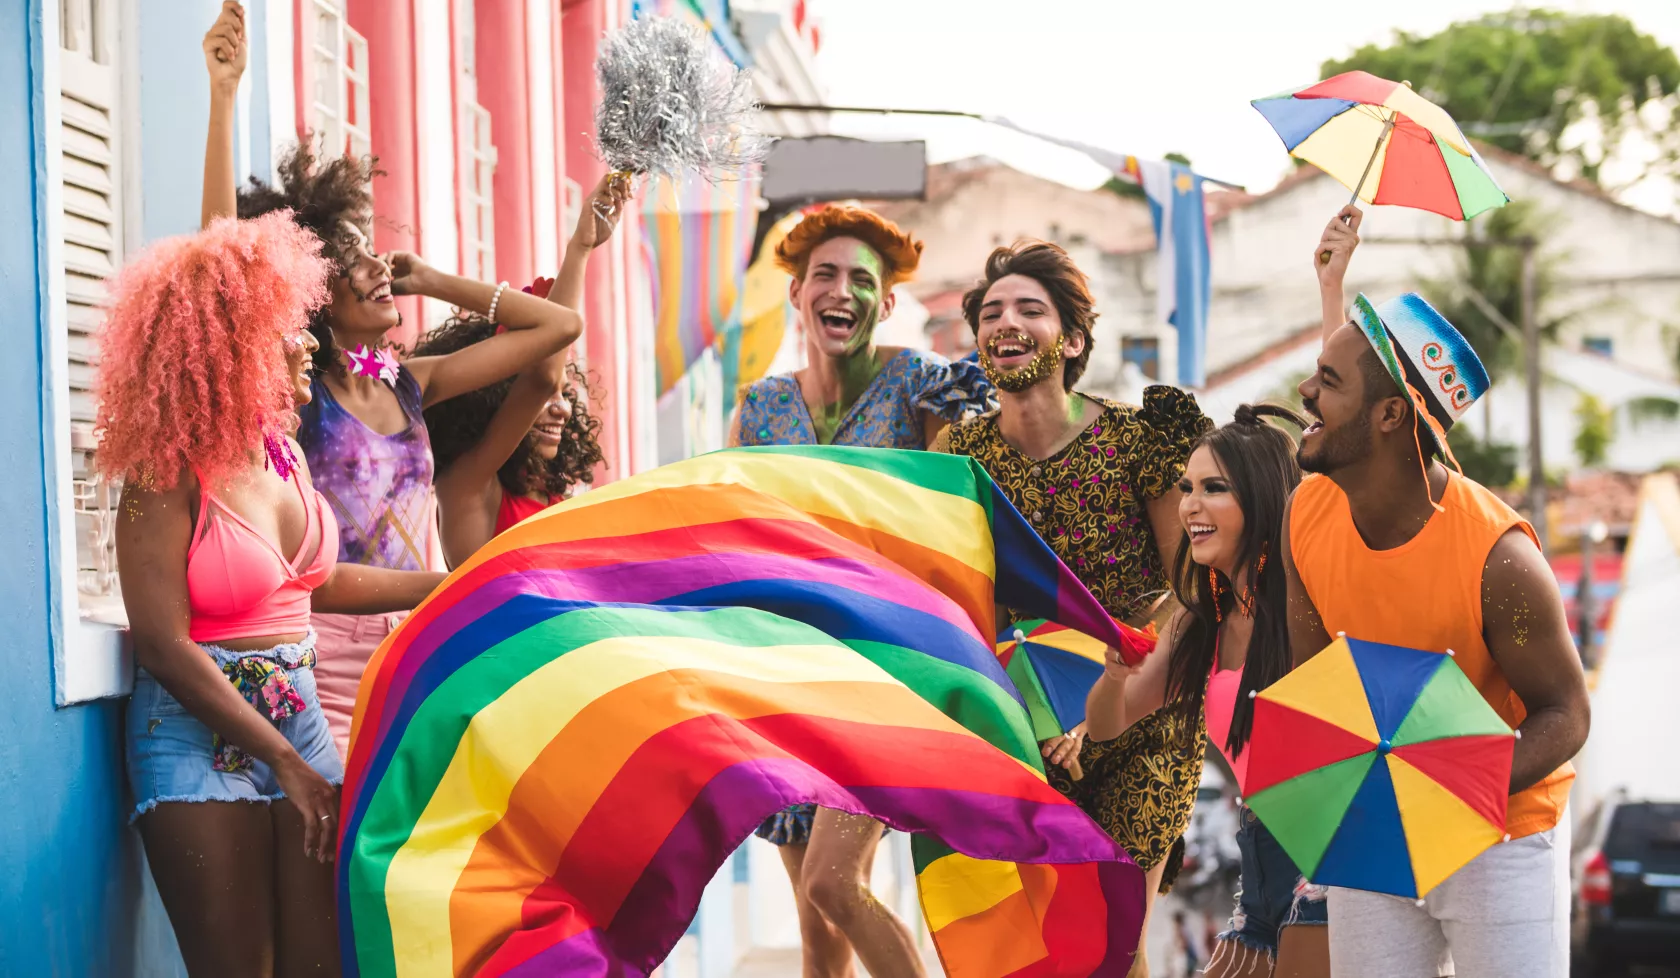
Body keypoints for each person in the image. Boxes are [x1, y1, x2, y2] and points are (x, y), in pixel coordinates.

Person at [198, 2, 584, 756]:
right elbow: (223, 280)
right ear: (313, 292)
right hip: (326, 657)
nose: (379, 268)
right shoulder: (296, 397)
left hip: (421, 644)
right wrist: (222, 100)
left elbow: (557, 330)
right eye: (355, 262)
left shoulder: (413, 383)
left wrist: (437, 281)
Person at [105, 210, 445, 978]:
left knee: (321, 967)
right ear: (227, 350)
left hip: (299, 723)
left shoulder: (283, 451)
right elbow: (161, 641)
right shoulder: (163, 473)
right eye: (281, 328)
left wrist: (451, 585)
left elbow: (316, 584)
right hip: (197, 743)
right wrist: (283, 762)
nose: (307, 344)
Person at [1283, 223, 1591, 977]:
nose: (1304, 391)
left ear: (1391, 417)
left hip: (1505, 832)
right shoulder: (1305, 515)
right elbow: (1318, 685)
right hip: (1379, 825)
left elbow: (1567, 715)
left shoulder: (1500, 560)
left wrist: (1448, 782)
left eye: (1329, 380)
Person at [932, 239, 1212, 977]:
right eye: (991, 312)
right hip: (1018, 719)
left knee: (1114, 947)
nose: (1006, 321)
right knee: (1038, 950)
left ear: (1074, 339)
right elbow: (955, 604)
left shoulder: (1135, 443)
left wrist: (1104, 700)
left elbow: (1189, 595)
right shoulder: (957, 457)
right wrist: (1018, 710)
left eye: (1030, 308)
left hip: (1142, 715)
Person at [729, 204, 994, 978]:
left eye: (861, 280)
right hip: (790, 671)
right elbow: (743, 534)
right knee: (819, 931)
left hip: (887, 666)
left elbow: (951, 526)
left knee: (835, 884)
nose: (841, 291)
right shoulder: (762, 406)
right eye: (824, 274)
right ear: (796, 294)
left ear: (884, 303)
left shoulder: (917, 386)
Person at [1085, 405, 1330, 978]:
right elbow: (1106, 725)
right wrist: (1114, 677)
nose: (1189, 505)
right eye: (1185, 487)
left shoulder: (1310, 602)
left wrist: (1331, 311)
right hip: (1261, 855)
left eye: (1213, 488)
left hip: (1327, 856)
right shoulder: (1200, 624)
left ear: (1263, 497)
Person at [416, 174, 626, 567]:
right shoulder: (466, 489)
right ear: (490, 399)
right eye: (545, 396)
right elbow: (543, 373)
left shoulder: (555, 500)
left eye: (566, 393)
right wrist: (579, 249)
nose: (561, 407)